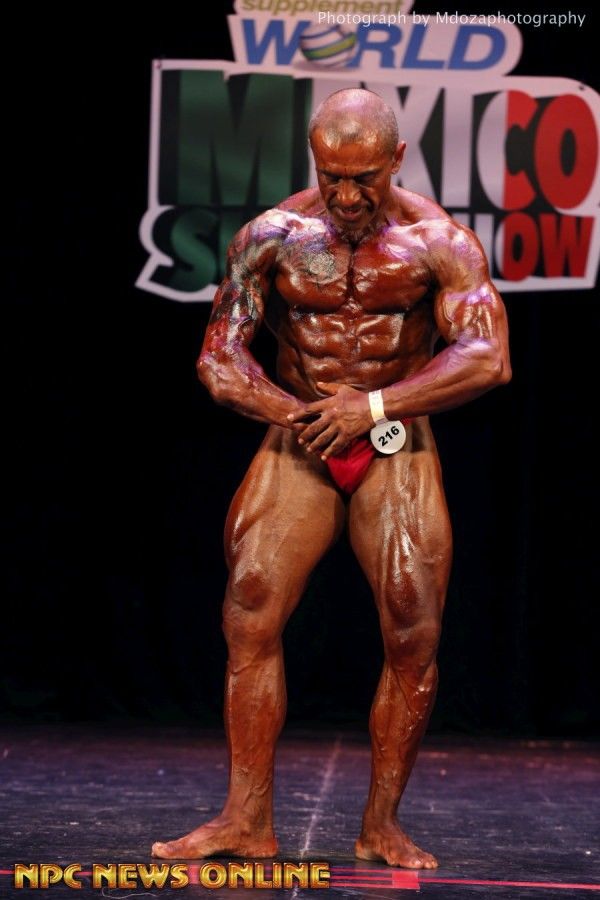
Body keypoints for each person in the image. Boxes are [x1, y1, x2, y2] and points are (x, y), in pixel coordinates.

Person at [151, 88, 511, 869]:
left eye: (365, 178)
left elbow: (488, 357)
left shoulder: (438, 243)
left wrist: (370, 405)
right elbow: (218, 359)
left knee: (413, 625)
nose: (348, 196)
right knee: (249, 606)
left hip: (395, 438)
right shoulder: (273, 236)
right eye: (332, 176)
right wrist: (300, 414)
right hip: (301, 434)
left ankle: (381, 825)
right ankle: (247, 820)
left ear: (397, 159)